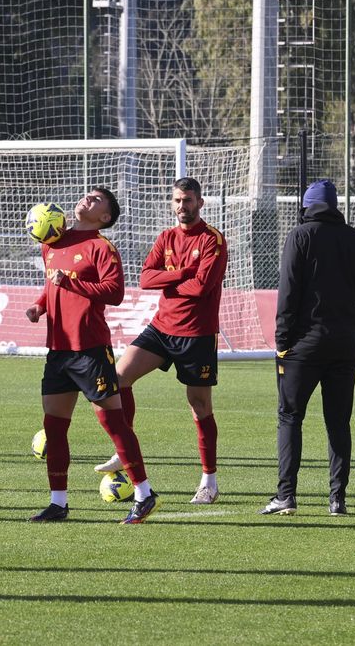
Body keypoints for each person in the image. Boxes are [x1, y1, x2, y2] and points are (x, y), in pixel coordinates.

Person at [25, 187, 159, 524]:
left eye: (97, 200)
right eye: (87, 195)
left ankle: (144, 493)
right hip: (58, 350)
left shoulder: (102, 248)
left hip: (90, 350)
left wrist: (71, 283)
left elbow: (114, 293)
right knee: (54, 428)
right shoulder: (52, 241)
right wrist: (39, 307)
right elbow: (50, 286)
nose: (88, 199)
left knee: (112, 421)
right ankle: (58, 503)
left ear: (105, 217)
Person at [93, 177, 227, 505]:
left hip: (196, 334)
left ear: (200, 203)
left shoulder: (213, 241)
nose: (183, 206)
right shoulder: (166, 237)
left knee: (199, 406)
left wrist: (171, 280)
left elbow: (202, 288)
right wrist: (182, 273)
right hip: (162, 328)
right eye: (178, 200)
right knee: (118, 379)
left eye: (189, 200)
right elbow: (146, 277)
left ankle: (209, 481)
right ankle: (123, 451)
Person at [260, 179, 355, 516]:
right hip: (344, 346)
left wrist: (283, 341)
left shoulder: (300, 236)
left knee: (290, 418)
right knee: (339, 422)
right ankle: (337, 499)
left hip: (303, 347)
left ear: (306, 206)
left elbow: (289, 291)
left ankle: (286, 495)